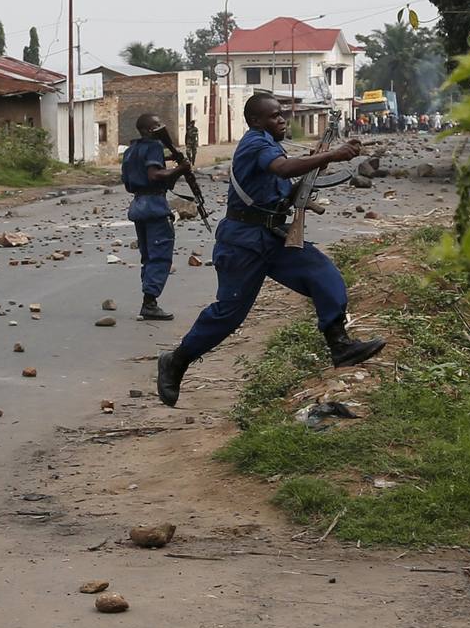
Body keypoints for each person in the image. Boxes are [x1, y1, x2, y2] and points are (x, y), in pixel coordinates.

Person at [156, 93, 385, 406]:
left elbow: (282, 191)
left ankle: (340, 345)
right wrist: (331, 156)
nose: (282, 120)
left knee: (324, 275)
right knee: (229, 314)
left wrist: (313, 172)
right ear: (256, 121)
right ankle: (176, 361)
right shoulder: (256, 143)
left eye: (282, 114)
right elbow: (282, 169)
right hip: (243, 242)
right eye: (274, 115)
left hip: (273, 237)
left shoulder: (270, 145)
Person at [121, 113, 190, 320]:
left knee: (148, 256)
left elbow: (130, 179)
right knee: (160, 255)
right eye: (157, 125)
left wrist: (169, 161)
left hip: (139, 206)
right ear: (148, 130)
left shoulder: (131, 149)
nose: (162, 127)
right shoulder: (154, 147)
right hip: (154, 206)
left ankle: (149, 298)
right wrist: (181, 168)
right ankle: (150, 303)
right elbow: (154, 175)